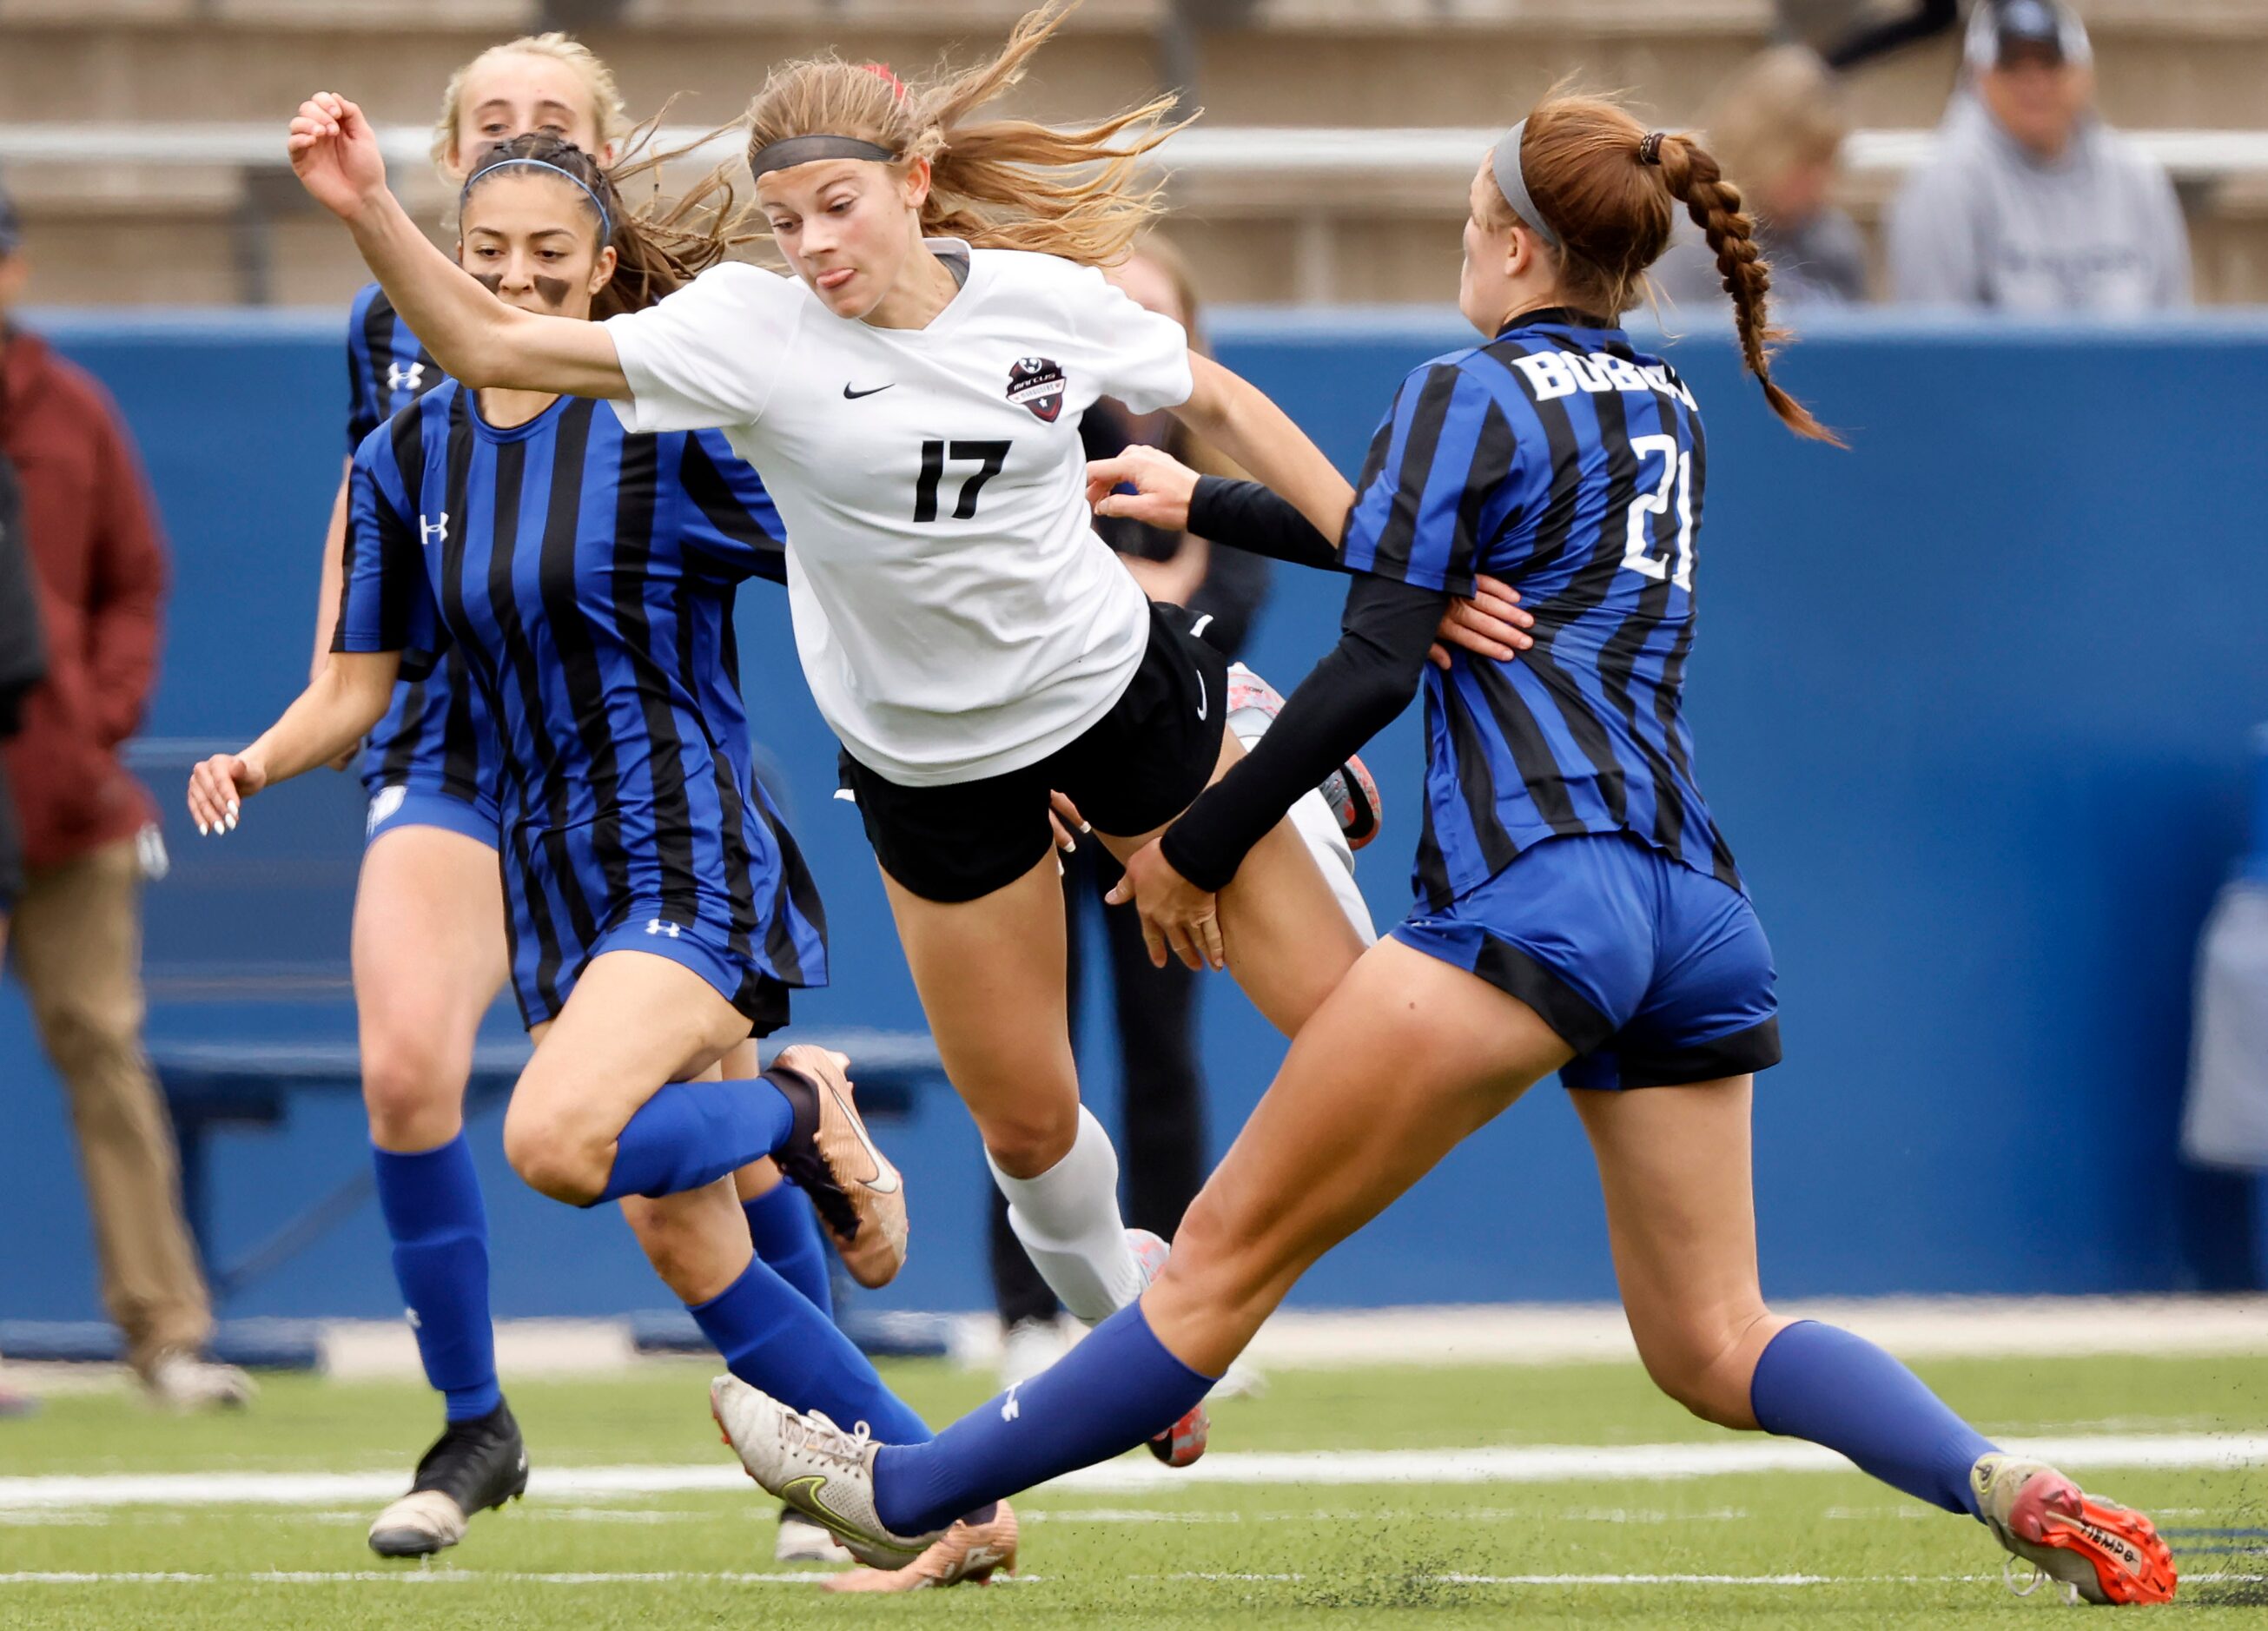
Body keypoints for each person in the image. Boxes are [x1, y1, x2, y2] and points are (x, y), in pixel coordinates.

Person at [707, 93, 2182, 1610]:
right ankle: (2005, 1477)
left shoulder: (1462, 388)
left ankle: (901, 1488)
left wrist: (1199, 844)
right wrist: (1207, 494)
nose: (1458, 240)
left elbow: (1381, 656)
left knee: (1203, 1271)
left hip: (1538, 897)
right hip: (1693, 904)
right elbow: (1444, 564)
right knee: (1716, 1338)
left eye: (1471, 215)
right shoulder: (1659, 398)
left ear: (1512, 244)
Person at [282, 0, 1531, 1512]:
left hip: (1120, 701)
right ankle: (1128, 1312)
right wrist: (362, 207)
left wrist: (1383, 564)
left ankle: (1191, 1277)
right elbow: (482, 335)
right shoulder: (745, 336)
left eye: (837, 205)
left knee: (1356, 1029)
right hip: (932, 776)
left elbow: (1217, 401)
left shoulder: (1037, 304)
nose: (809, 243)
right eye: (785, 216)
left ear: (915, 180)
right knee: (1024, 1126)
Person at [192, 136, 919, 1559]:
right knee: (680, 1231)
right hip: (555, 883)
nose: (515, 274)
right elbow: (357, 685)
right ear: (453, 269)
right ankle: (938, 1479)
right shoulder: (407, 454)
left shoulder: (671, 421)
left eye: (546, 252)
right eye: (488, 254)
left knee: (554, 1137)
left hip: (692, 853)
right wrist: (257, 758)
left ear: (599, 268)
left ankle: (797, 1104)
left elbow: (861, 562)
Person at [0, 178, 252, 1413]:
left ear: (16, 271)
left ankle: (166, 1333)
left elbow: (134, 581)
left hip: (66, 809)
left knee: (105, 1050)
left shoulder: (70, 412)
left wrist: (95, 721)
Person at [1888, 0, 2190, 312]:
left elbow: (2172, 330)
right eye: (2012, 64)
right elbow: (1938, 344)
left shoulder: (2136, 180)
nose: (2033, 81)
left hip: (2122, 362)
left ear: (2082, 73)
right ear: (1980, 77)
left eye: (2049, 62)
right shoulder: (1944, 186)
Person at [1652, 47, 1867, 310]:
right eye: (1806, 164)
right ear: (1759, 153)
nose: (1819, 183)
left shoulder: (1835, 244)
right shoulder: (1693, 242)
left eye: (1826, 164)